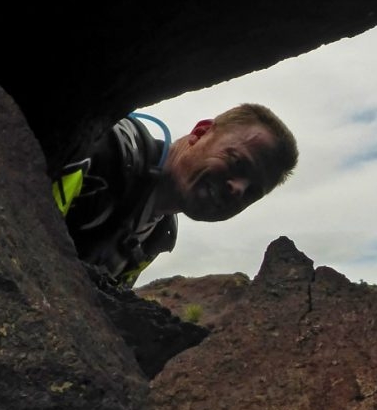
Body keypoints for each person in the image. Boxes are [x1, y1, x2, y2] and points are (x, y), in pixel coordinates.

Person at [53, 103, 298, 287]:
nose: (238, 189)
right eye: (237, 163)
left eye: (253, 192)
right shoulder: (102, 151)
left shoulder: (156, 237)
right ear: (200, 133)